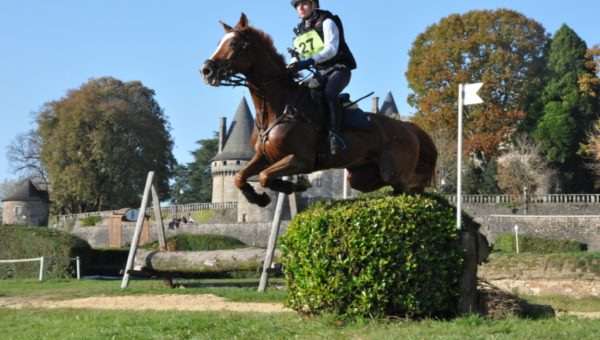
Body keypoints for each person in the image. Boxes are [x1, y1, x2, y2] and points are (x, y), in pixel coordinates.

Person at [287, 0, 357, 155]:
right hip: (321, 72)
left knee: (329, 94)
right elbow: (298, 56)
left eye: (304, 4)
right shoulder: (300, 30)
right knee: (304, 94)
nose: (300, 8)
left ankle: (335, 135)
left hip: (339, 69)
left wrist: (311, 60)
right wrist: (292, 66)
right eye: (297, 5)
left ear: (313, 4)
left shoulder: (327, 21)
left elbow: (332, 49)